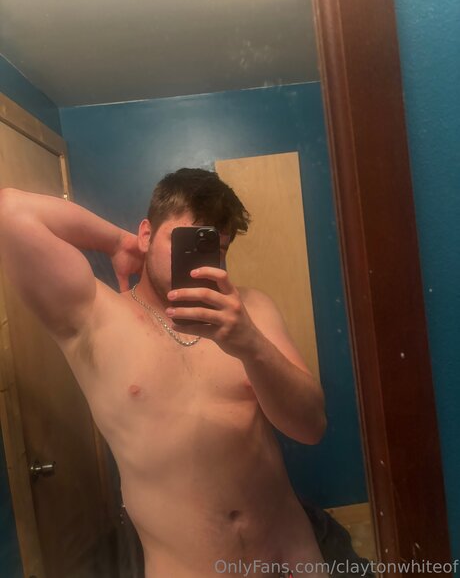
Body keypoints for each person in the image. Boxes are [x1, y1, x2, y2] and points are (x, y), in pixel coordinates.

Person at [0, 167, 330, 578]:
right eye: (185, 241)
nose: (200, 263)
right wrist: (115, 241)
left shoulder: (252, 312)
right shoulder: (94, 318)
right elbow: (10, 212)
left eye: (216, 248)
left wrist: (250, 344)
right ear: (147, 234)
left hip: (294, 563)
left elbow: (311, 427)